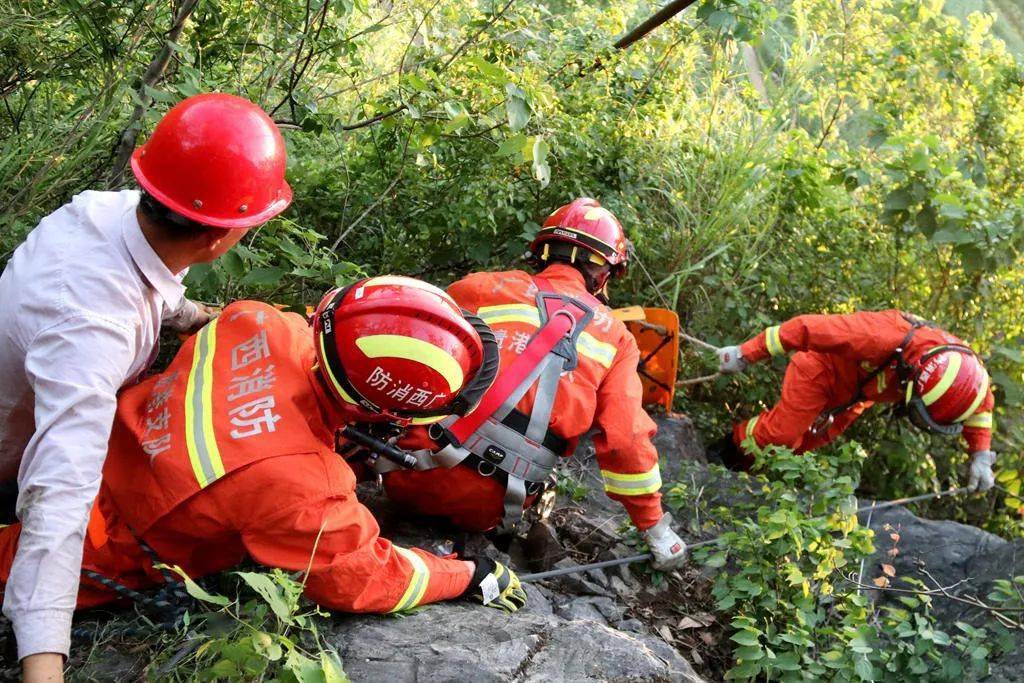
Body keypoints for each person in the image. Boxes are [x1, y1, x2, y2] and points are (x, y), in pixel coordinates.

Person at [0, 277, 527, 642]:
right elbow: (368, 578)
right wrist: (467, 574)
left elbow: (255, 406)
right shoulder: (303, 488)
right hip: (87, 544)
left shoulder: (258, 320)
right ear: (376, 407)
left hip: (63, 448)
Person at [0, 92, 293, 679]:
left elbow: (149, 283)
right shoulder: (88, 328)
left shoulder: (106, 211)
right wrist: (44, 667)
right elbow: (58, 494)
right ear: (218, 240)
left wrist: (194, 317)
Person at [368, 198, 688, 570]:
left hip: (406, 471)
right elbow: (625, 442)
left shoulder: (479, 288)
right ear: (604, 274)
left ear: (543, 251)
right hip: (495, 503)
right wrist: (655, 529)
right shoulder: (615, 339)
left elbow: (405, 350)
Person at [711, 310, 996, 491]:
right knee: (782, 436)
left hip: (857, 395)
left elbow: (980, 410)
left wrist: (980, 455)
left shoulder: (967, 374)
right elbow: (804, 328)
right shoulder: (878, 336)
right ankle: (725, 453)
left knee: (800, 448)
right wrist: (745, 353)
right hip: (821, 370)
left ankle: (747, 483)